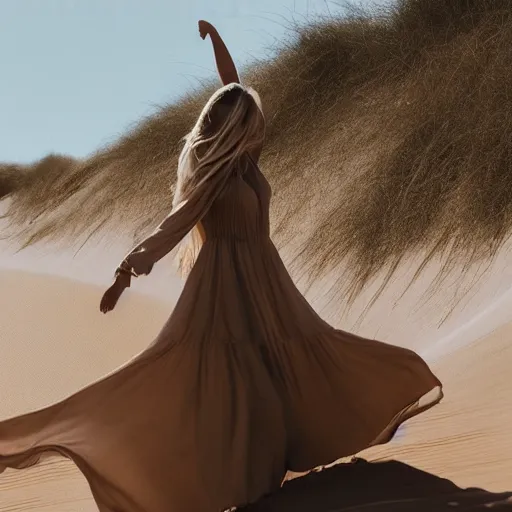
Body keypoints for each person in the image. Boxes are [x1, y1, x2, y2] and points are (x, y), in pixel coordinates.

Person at [0, 20, 443, 512]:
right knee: (229, 375)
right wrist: (126, 271)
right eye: (247, 121)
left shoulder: (249, 161)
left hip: (266, 278)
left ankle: (276, 461)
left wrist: (217, 42)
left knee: (288, 361)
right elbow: (174, 224)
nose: (257, 127)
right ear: (233, 128)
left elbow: (232, 89)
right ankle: (236, 479)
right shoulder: (213, 176)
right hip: (224, 284)